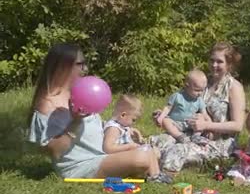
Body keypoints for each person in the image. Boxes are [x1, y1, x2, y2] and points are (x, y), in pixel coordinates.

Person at [28, 43, 171, 183]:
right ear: (64, 66)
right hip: (81, 166)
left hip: (101, 155)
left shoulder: (79, 93)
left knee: (154, 152)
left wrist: (119, 129)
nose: (85, 69)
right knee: (143, 157)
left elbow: (93, 129)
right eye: (80, 64)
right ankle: (150, 174)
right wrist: (75, 121)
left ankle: (137, 168)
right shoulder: (48, 105)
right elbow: (55, 151)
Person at [151, 42, 246, 172]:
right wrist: (163, 115)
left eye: (219, 62)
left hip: (217, 143)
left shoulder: (234, 87)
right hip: (188, 133)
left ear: (229, 64)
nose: (214, 65)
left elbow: (237, 125)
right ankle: (138, 163)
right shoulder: (202, 82)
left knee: (176, 150)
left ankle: (162, 175)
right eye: (212, 60)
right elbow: (181, 104)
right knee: (158, 141)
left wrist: (206, 126)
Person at [154, 69, 211, 143]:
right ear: (187, 86)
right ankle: (179, 136)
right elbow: (168, 108)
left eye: (202, 90)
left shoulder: (199, 100)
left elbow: (205, 114)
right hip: (176, 123)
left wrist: (209, 124)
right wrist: (161, 117)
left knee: (201, 118)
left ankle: (196, 136)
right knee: (166, 121)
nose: (199, 93)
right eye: (197, 90)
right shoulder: (177, 96)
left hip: (190, 124)